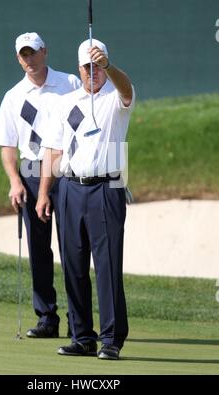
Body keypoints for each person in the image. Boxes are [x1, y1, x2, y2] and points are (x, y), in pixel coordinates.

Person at [36, 38, 135, 360]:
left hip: (107, 189)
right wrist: (44, 192)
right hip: (69, 189)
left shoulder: (116, 97)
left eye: (97, 66)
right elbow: (54, 149)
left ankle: (111, 340)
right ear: (79, 69)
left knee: (106, 266)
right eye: (87, 67)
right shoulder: (66, 102)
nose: (93, 72)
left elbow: (127, 88)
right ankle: (82, 337)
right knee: (73, 264)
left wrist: (108, 65)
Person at [0, 32, 81, 338]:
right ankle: (46, 317)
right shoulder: (13, 96)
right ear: (18, 58)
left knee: (73, 247)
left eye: (33, 53)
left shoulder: (70, 83)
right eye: (23, 55)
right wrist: (15, 181)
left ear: (45, 52)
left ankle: (78, 320)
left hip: (66, 171)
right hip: (30, 173)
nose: (28, 59)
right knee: (38, 249)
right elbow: (7, 146)